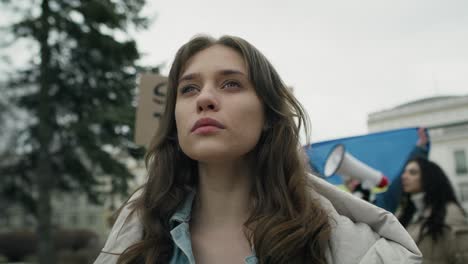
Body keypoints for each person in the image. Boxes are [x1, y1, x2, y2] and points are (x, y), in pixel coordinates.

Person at [94, 35, 421, 264]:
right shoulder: (139, 242)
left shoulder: (346, 246)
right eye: (189, 88)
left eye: (231, 83)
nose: (204, 98)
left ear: (268, 115)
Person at [398, 157, 468, 263]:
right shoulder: (405, 214)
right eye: (404, 172)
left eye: (412, 173)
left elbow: (463, 255)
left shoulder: (450, 212)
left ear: (429, 177)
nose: (404, 176)